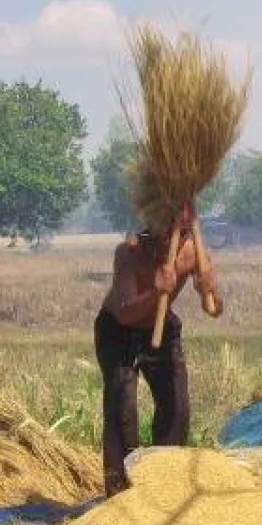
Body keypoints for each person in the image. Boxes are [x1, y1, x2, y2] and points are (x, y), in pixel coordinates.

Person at [94, 202, 222, 497]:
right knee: (121, 411)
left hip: (161, 328)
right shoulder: (129, 253)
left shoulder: (192, 253)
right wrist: (156, 290)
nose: (170, 241)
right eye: (165, 233)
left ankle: (164, 487)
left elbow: (214, 310)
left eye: (178, 232)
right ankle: (120, 494)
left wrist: (209, 289)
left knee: (177, 408)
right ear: (153, 227)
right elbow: (126, 313)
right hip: (117, 330)